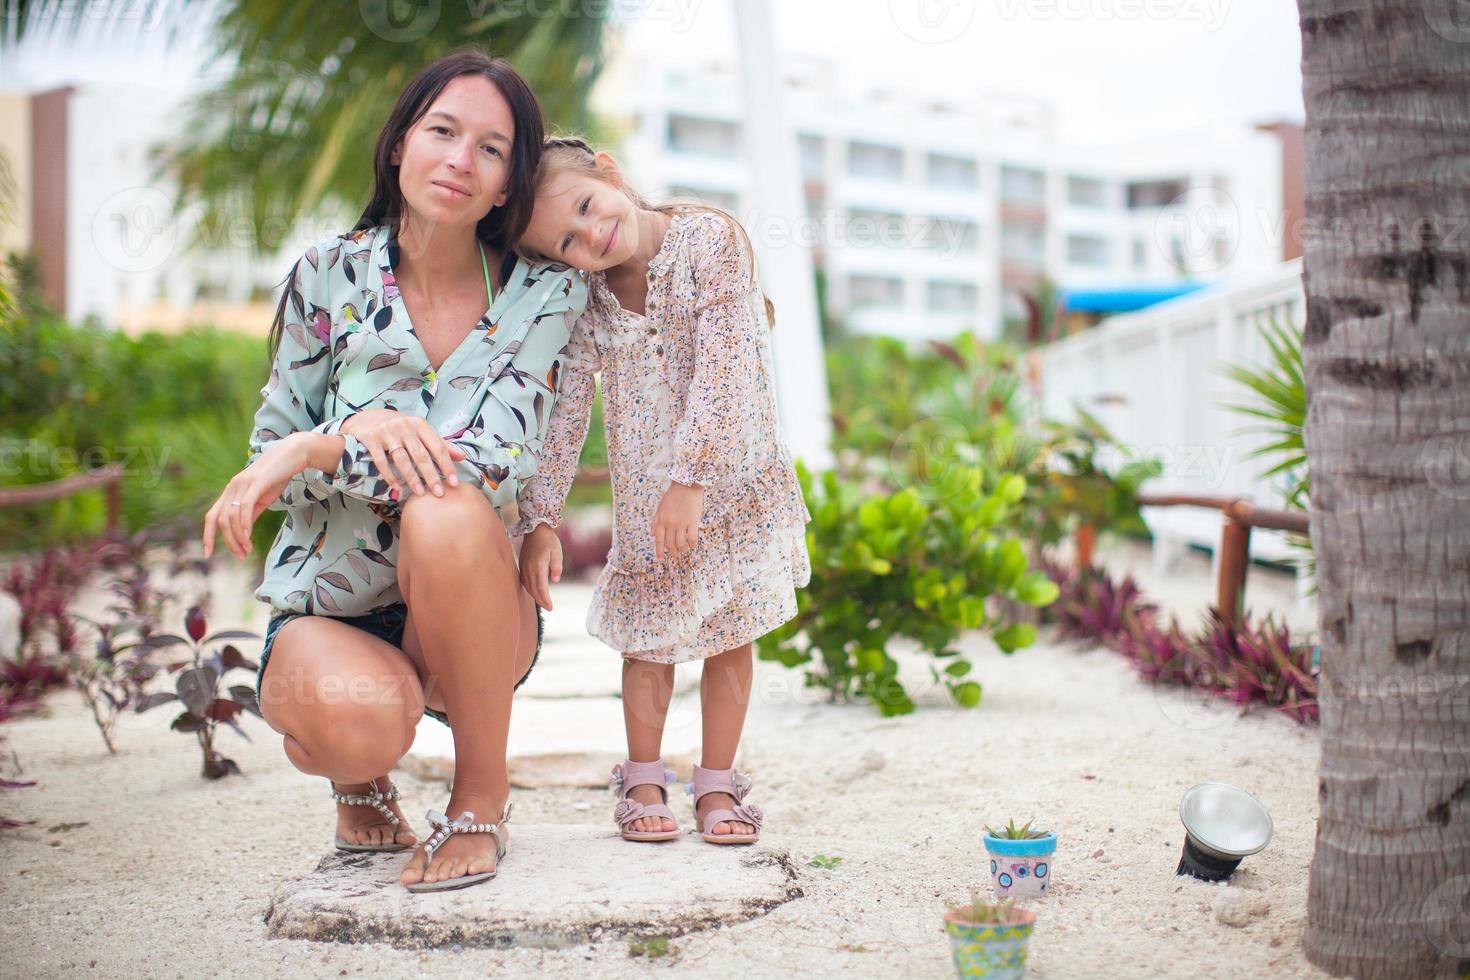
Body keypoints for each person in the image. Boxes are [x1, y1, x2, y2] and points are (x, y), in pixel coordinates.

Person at [201, 50, 586, 893]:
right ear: (399, 146)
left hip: (473, 607)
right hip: (333, 611)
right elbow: (271, 465)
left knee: (445, 510)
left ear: (507, 184)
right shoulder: (324, 275)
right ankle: (358, 776)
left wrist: (327, 445)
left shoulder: (546, 294)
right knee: (364, 722)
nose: (461, 159)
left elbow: (491, 466)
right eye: (443, 131)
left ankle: (480, 798)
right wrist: (335, 435)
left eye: (492, 149)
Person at [513, 137, 811, 845]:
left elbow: (728, 371)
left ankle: (716, 783)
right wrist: (541, 516)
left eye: (587, 207)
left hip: (733, 484)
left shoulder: (710, 241)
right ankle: (643, 777)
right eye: (568, 240)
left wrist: (693, 479)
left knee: (731, 636)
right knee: (648, 640)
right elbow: (566, 409)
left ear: (609, 173)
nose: (590, 234)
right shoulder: (587, 297)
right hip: (650, 501)